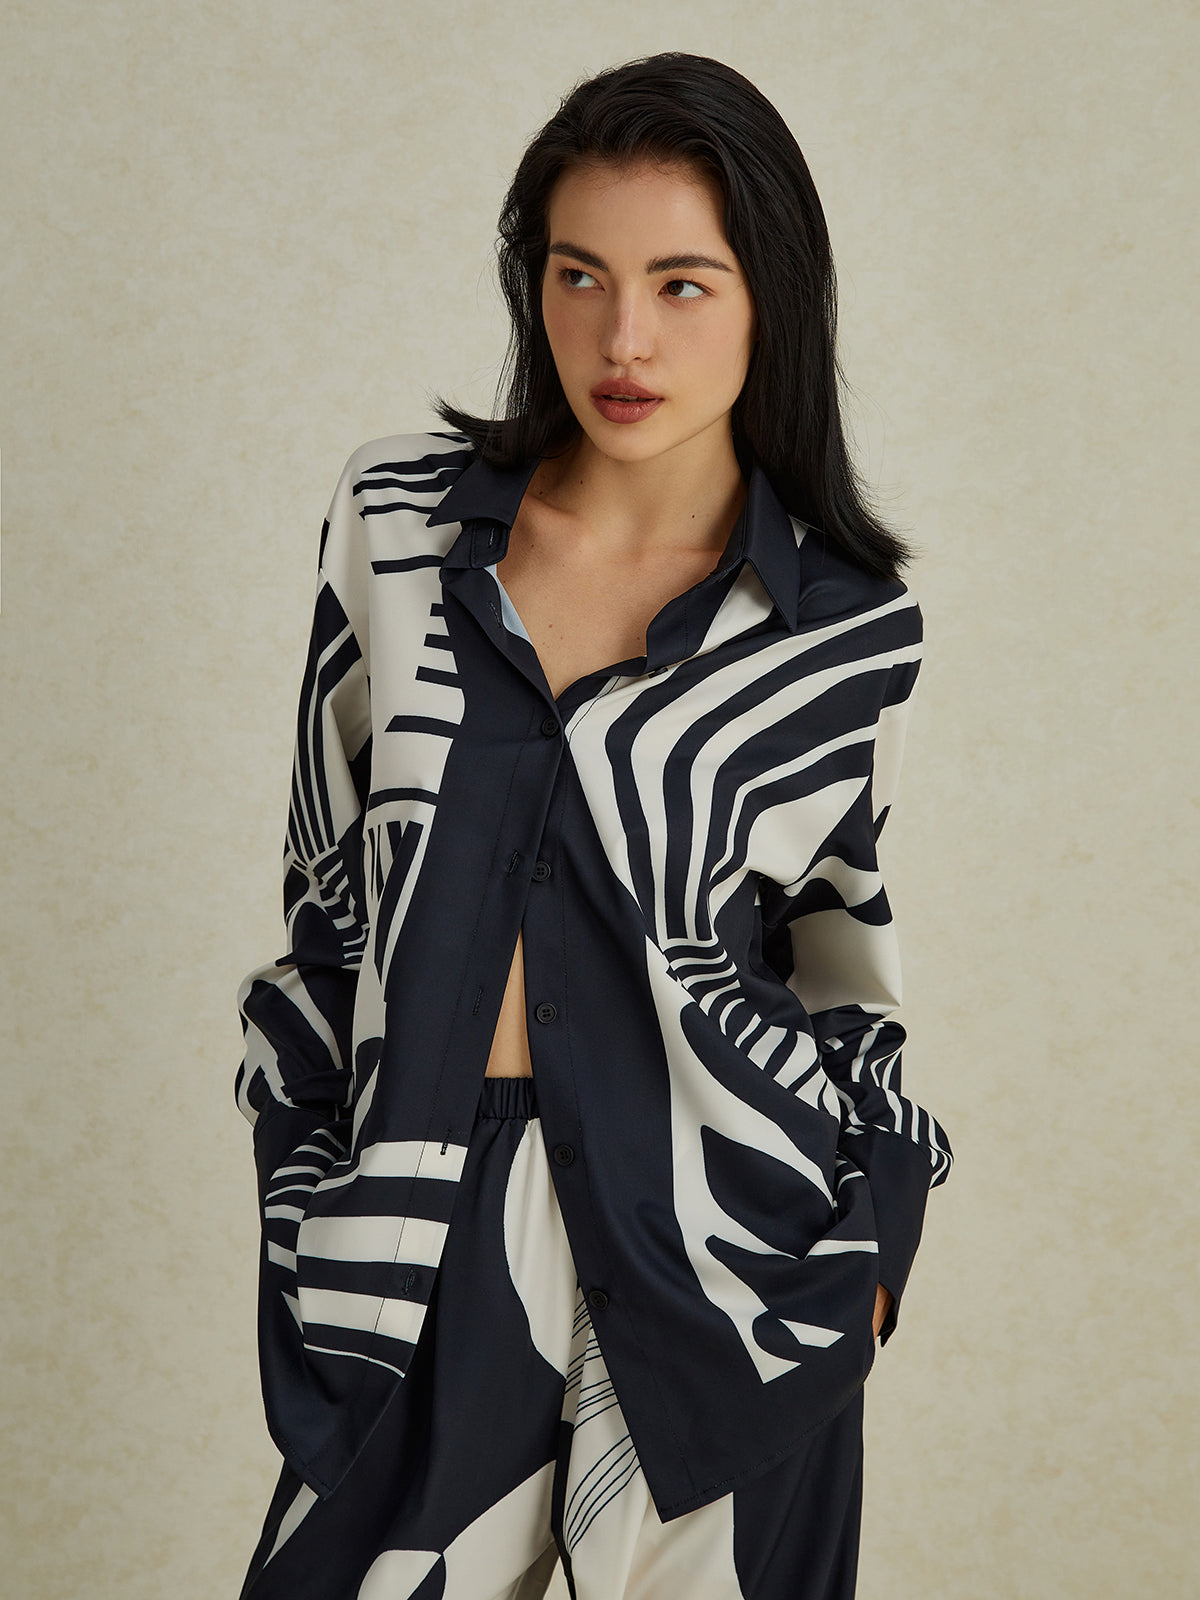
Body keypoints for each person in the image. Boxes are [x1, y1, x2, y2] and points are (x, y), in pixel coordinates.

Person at [232, 50, 953, 1600]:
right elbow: (326, 908)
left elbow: (843, 974)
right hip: (416, 1244)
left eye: (683, 285)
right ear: (534, 283)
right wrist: (304, 1199)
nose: (623, 339)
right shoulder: (395, 528)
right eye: (581, 276)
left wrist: (869, 1263)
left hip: (729, 1269)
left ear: (770, 301)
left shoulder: (844, 626)